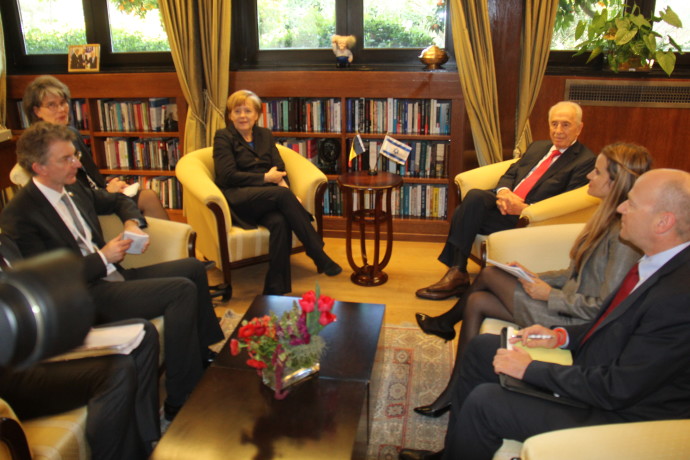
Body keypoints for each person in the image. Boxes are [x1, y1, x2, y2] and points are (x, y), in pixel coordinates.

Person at [399, 168, 690, 460]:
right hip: (593, 375)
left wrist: (529, 369)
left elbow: (618, 388)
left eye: (632, 203)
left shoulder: (678, 298)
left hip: (616, 414)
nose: (622, 207)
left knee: (484, 402)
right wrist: (560, 336)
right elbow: (609, 322)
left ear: (663, 222)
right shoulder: (656, 263)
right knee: (481, 349)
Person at [0, 122, 224, 421]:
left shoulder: (74, 188)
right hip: (86, 296)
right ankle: (181, 397)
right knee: (180, 291)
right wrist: (101, 257)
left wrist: (133, 223)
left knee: (193, 268)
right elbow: (48, 283)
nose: (78, 163)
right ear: (39, 167)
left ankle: (202, 352)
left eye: (75, 155)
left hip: (113, 277)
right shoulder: (21, 215)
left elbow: (119, 199)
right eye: (66, 159)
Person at [413, 142, 651, 418]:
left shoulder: (624, 236)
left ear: (614, 182)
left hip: (574, 321)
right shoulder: (604, 217)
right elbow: (575, 272)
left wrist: (548, 293)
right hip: (565, 305)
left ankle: (445, 326)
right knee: (477, 300)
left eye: (596, 173)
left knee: (489, 274)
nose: (589, 176)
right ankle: (453, 391)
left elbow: (603, 308)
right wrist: (533, 275)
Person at [0, 234, 160, 459]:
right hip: (11, 377)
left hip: (38, 343)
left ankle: (146, 443)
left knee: (141, 333)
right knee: (116, 371)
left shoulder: (5, 242)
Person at [416, 101, 596, 300]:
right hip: (502, 203)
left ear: (579, 128)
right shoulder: (539, 147)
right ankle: (457, 272)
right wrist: (503, 193)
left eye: (566, 124)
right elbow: (510, 173)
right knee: (473, 201)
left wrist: (525, 208)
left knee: (466, 208)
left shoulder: (585, 160)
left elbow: (566, 201)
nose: (558, 130)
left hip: (526, 218)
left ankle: (457, 272)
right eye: (554, 124)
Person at [213, 89, 342, 295]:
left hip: (268, 198)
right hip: (239, 198)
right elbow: (226, 175)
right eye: (237, 111)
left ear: (257, 115)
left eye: (248, 110)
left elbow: (280, 166)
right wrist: (266, 180)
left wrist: (288, 191)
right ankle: (317, 252)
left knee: (280, 222)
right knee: (282, 197)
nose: (243, 116)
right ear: (230, 115)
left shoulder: (264, 134)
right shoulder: (223, 137)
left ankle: (275, 287)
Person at [22, 75, 169, 220]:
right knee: (148, 198)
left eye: (63, 102)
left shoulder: (71, 133)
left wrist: (110, 186)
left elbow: (91, 176)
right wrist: (108, 193)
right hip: (82, 206)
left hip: (97, 194)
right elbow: (69, 191)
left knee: (148, 196)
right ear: (37, 111)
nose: (61, 109)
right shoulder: (41, 146)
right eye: (52, 105)